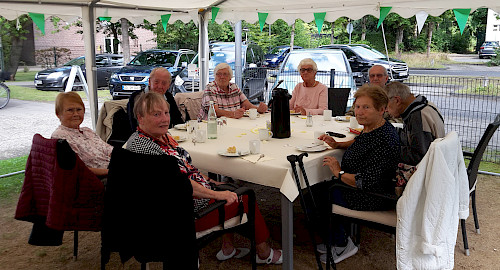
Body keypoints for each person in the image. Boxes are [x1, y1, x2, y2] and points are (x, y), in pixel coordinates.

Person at [125, 92, 282, 264]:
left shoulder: (162, 137)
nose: (164, 119)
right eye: (156, 114)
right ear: (140, 118)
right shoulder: (142, 146)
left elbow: (185, 170)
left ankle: (228, 248)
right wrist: (217, 194)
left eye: (166, 113)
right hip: (179, 217)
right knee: (245, 198)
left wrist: (212, 183)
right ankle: (264, 253)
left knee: (228, 188)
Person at [315, 85, 400, 264]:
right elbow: (359, 141)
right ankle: (337, 235)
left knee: (318, 195)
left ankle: (342, 243)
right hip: (364, 187)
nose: (359, 112)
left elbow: (365, 181)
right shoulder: (374, 127)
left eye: (366, 107)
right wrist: (338, 145)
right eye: (358, 107)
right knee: (317, 190)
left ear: (382, 109)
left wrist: (339, 172)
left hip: (373, 195)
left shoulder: (384, 140)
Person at [51, 92, 112, 178]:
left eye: (79, 110)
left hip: (112, 167)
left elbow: (109, 150)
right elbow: (78, 169)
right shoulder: (60, 136)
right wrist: (112, 172)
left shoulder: (87, 131)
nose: (76, 114)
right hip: (97, 178)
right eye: (70, 110)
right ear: (58, 114)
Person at [385, 81, 445, 166]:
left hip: (427, 169)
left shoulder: (418, 116)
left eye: (386, 106)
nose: (386, 110)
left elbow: (418, 156)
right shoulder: (425, 105)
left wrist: (386, 149)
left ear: (397, 100)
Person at [198, 63, 267, 119]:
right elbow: (213, 111)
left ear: (230, 77)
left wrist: (258, 109)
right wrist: (233, 114)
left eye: (225, 74)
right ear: (215, 76)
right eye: (219, 74)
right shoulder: (210, 88)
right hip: (212, 124)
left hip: (232, 122)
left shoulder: (234, 87)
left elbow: (246, 104)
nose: (222, 77)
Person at [127, 67, 184, 131]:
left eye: (164, 83)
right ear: (149, 81)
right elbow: (133, 126)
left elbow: (178, 121)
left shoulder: (168, 97)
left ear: (169, 85)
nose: (159, 86)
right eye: (156, 82)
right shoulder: (137, 97)